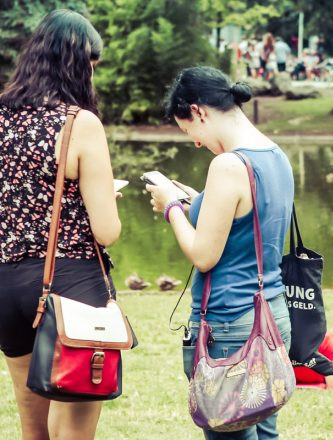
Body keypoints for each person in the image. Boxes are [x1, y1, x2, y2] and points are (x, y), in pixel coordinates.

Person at [145, 66, 294, 439]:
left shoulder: (228, 164)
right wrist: (197, 203)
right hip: (272, 317)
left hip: (232, 326)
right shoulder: (275, 155)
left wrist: (171, 208)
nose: (195, 142)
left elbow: (203, 255)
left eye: (189, 131)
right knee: (265, 434)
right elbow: (249, 223)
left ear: (199, 112)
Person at [0, 10, 121, 440]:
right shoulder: (79, 123)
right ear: (76, 62)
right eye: (92, 64)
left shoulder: (3, 117)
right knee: (71, 429)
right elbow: (106, 230)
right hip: (68, 283)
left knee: (32, 427)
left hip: (9, 285)